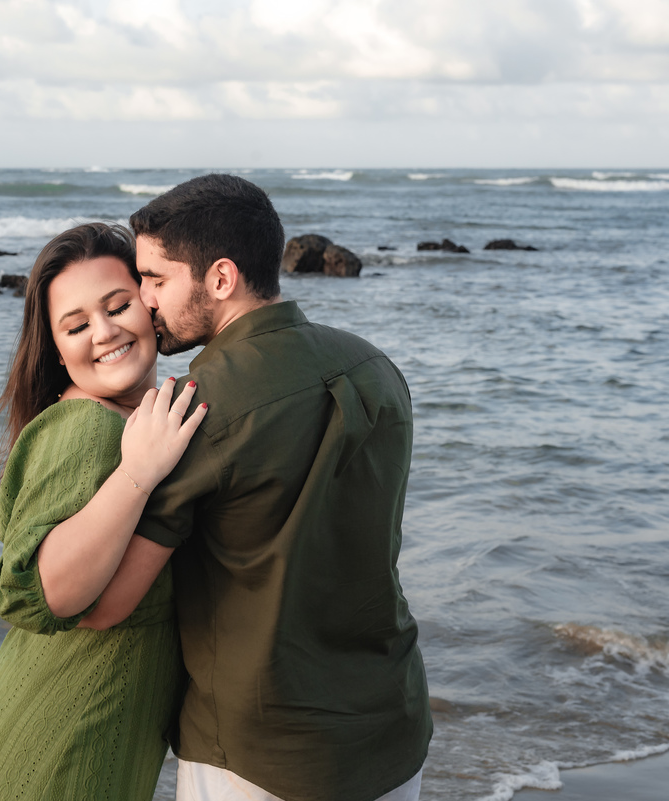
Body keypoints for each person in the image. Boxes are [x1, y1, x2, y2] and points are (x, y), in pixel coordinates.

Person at [114, 174, 433, 801]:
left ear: (221, 278)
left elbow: (108, 604)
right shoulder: (377, 367)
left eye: (155, 278)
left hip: (260, 757)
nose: (142, 299)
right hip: (391, 729)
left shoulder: (193, 409)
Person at [0, 222, 206, 801]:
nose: (104, 332)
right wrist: (138, 475)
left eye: (118, 306)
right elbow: (51, 592)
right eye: (76, 325)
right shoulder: (88, 427)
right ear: (57, 348)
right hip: (58, 748)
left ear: (150, 304)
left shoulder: (129, 422)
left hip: (87, 735)